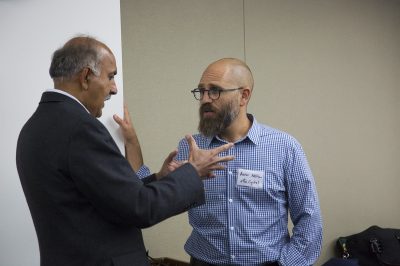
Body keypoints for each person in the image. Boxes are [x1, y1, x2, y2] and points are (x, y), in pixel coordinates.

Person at [15, 36, 234, 266]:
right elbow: (139, 208)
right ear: (86, 76)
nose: (114, 88)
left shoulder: (34, 127)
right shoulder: (80, 129)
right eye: (110, 77)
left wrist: (159, 179)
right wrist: (192, 171)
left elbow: (109, 198)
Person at [136, 58, 323, 265]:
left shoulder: (285, 148)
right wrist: (131, 144)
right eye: (202, 91)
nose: (205, 99)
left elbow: (309, 220)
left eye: (215, 90)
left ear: (244, 95)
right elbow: (155, 203)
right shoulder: (190, 149)